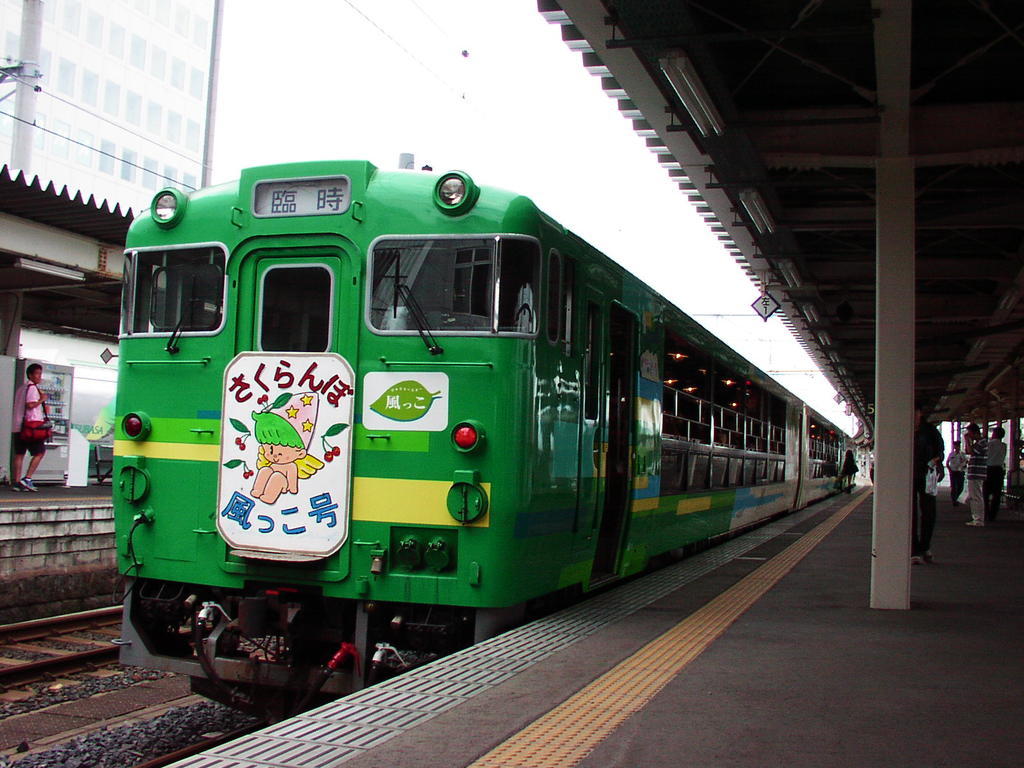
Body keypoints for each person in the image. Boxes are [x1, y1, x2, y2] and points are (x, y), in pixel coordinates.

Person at [911, 406, 944, 564]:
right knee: (909, 513)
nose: (913, 415)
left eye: (915, 412)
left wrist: (933, 461)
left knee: (929, 512)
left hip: (927, 477)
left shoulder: (930, 431)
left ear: (920, 413)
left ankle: (925, 546)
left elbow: (940, 452)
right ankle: (914, 550)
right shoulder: (902, 429)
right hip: (908, 477)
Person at [10, 363, 47, 492]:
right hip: (31, 426)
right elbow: (30, 405)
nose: (39, 376)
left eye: (40, 374)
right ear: (30, 375)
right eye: (37, 374)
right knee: (40, 452)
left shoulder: (22, 388)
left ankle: (16, 482)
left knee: (19, 454)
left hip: (18, 425)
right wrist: (42, 399)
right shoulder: (32, 388)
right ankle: (27, 478)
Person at [963, 423, 987, 527]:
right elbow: (968, 451)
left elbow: (971, 451)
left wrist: (967, 441)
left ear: (975, 432)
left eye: (970, 433)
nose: (969, 436)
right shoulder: (979, 443)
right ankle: (976, 518)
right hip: (975, 472)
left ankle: (978, 519)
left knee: (976, 496)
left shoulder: (982, 443)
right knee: (974, 496)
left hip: (977, 472)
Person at [984, 426, 1007, 521]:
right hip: (998, 470)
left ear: (994, 434)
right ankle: (993, 515)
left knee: (985, 493)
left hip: (988, 469)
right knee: (997, 494)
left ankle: (985, 512)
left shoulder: (988, 444)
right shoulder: (1004, 446)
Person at [945, 440, 968, 506]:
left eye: (958, 446)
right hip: (953, 472)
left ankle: (957, 498)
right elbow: (947, 462)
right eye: (956, 446)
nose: (957, 447)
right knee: (954, 487)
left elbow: (966, 461)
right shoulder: (951, 454)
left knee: (960, 487)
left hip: (960, 472)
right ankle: (954, 500)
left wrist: (963, 466)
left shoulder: (962, 454)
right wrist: (949, 469)